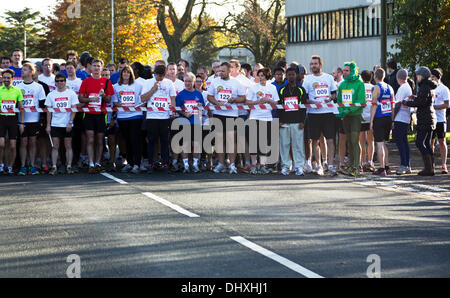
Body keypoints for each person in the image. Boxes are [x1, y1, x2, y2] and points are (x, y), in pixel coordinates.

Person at [302, 55, 338, 176]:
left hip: (328, 112)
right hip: (313, 114)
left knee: (330, 140)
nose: (313, 66)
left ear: (320, 65)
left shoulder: (328, 78)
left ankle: (331, 165)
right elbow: (305, 98)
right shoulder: (307, 79)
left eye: (315, 64)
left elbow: (334, 94)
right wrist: (313, 103)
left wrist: (329, 99)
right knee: (315, 140)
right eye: (311, 64)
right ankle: (319, 165)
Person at [207, 62, 246, 174]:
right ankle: (221, 164)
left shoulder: (236, 83)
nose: (220, 73)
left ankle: (232, 164)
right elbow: (209, 96)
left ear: (229, 71)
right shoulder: (215, 82)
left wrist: (234, 100)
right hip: (219, 114)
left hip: (232, 115)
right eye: (219, 71)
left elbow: (243, 98)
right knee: (219, 140)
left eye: (223, 71)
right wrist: (217, 103)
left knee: (231, 141)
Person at [78, 58, 115, 174]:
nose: (96, 68)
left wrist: (103, 96)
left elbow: (109, 100)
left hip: (101, 114)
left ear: (101, 67)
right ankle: (91, 163)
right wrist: (90, 99)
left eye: (98, 66)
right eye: (94, 66)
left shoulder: (107, 82)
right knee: (90, 139)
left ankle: (98, 163)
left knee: (99, 140)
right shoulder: (86, 81)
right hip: (88, 114)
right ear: (91, 67)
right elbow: (80, 98)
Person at [402, 67, 438, 176]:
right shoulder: (429, 86)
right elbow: (424, 100)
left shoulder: (424, 86)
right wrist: (415, 97)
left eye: (418, 75)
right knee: (426, 143)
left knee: (419, 142)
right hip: (430, 117)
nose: (416, 77)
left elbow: (421, 103)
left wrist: (407, 103)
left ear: (422, 76)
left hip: (425, 118)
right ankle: (431, 167)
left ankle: (428, 168)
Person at [141, 64, 176, 174]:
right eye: (157, 75)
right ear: (154, 73)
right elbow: (143, 98)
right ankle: (151, 163)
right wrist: (153, 89)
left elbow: (172, 98)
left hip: (165, 117)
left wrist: (172, 111)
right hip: (152, 116)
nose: (159, 78)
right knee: (151, 141)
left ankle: (166, 163)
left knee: (165, 141)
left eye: (162, 76)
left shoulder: (169, 83)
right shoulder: (148, 82)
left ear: (165, 74)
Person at [245, 68, 279, 174]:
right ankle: (254, 165)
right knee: (254, 142)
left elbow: (276, 103)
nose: (260, 77)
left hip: (267, 117)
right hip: (255, 117)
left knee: (264, 143)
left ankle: (263, 165)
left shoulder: (272, 87)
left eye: (262, 75)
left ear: (267, 76)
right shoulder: (253, 87)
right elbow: (248, 102)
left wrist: (268, 100)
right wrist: (258, 101)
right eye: (259, 75)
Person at [45, 73, 79, 175]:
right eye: (58, 81)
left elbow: (74, 109)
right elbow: (48, 111)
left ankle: (69, 166)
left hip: (67, 124)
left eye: (62, 81)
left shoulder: (71, 93)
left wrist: (70, 122)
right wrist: (48, 125)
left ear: (65, 82)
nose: (60, 83)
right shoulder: (51, 95)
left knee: (68, 146)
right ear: (55, 82)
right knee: (55, 146)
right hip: (55, 124)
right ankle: (54, 166)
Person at [112, 65, 144, 174]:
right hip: (122, 117)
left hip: (135, 116)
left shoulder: (138, 85)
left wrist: (135, 106)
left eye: (128, 72)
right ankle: (130, 163)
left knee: (135, 140)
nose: (126, 74)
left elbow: (142, 99)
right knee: (127, 141)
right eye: (124, 72)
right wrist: (122, 105)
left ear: (131, 74)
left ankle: (137, 164)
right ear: (121, 74)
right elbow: (115, 102)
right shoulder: (116, 86)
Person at [336, 61, 366, 176]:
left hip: (355, 116)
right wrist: (342, 111)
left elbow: (361, 101)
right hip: (345, 117)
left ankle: (356, 166)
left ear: (353, 71)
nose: (345, 73)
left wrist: (349, 110)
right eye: (344, 71)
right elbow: (339, 100)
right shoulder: (343, 84)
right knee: (349, 141)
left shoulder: (359, 83)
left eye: (347, 71)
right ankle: (351, 165)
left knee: (354, 140)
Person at [17, 63, 47, 176]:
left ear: (31, 72)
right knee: (24, 142)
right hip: (22, 120)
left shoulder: (38, 87)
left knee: (33, 142)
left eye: (24, 70)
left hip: (34, 119)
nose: (22, 71)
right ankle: (23, 166)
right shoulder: (18, 87)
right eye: (22, 70)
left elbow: (43, 104)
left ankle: (33, 166)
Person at [278, 67, 308, 176]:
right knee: (284, 145)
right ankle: (286, 166)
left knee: (298, 145)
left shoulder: (301, 90)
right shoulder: (282, 90)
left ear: (296, 75)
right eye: (289, 75)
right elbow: (279, 107)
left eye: (293, 74)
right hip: (284, 122)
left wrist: (302, 121)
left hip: (297, 122)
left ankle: (299, 167)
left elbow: (303, 107)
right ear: (286, 76)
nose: (291, 76)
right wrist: (280, 120)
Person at [175, 72, 206, 173]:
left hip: (196, 120)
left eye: (189, 81)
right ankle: (186, 164)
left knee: (196, 143)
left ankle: (195, 164)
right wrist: (184, 113)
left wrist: (200, 106)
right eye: (185, 81)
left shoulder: (198, 94)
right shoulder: (180, 95)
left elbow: (202, 107)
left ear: (193, 82)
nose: (187, 83)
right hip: (184, 121)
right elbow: (176, 108)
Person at [370, 68, 395, 176]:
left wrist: (371, 121)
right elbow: (393, 105)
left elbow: (374, 105)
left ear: (375, 76)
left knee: (379, 144)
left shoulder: (377, 87)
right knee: (384, 143)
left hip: (379, 118)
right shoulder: (390, 87)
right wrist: (392, 120)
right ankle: (387, 166)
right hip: (388, 118)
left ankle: (381, 168)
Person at [0, 69, 24, 175]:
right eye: (4, 78)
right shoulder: (0, 89)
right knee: (1, 144)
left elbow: (21, 108)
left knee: (13, 145)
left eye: (8, 78)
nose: (6, 80)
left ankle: (10, 166)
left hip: (13, 119)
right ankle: (1, 165)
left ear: (12, 79)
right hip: (1, 119)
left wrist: (22, 123)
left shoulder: (17, 90)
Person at [392, 69, 413, 175]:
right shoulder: (408, 86)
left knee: (400, 141)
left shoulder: (402, 88)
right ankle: (407, 164)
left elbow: (397, 104)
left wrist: (392, 118)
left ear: (397, 78)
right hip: (405, 117)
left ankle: (403, 164)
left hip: (400, 118)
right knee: (404, 141)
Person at [430, 68, 449, 174]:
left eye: (432, 77)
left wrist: (434, 107)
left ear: (436, 77)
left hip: (440, 119)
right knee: (430, 142)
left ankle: (443, 165)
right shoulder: (429, 88)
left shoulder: (444, 89)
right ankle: (431, 165)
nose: (430, 79)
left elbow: (447, 104)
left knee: (442, 141)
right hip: (431, 119)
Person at [359, 70, 376, 172]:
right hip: (371, 117)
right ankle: (370, 161)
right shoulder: (374, 87)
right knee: (371, 141)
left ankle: (362, 162)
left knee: (361, 142)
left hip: (361, 117)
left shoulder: (360, 87)